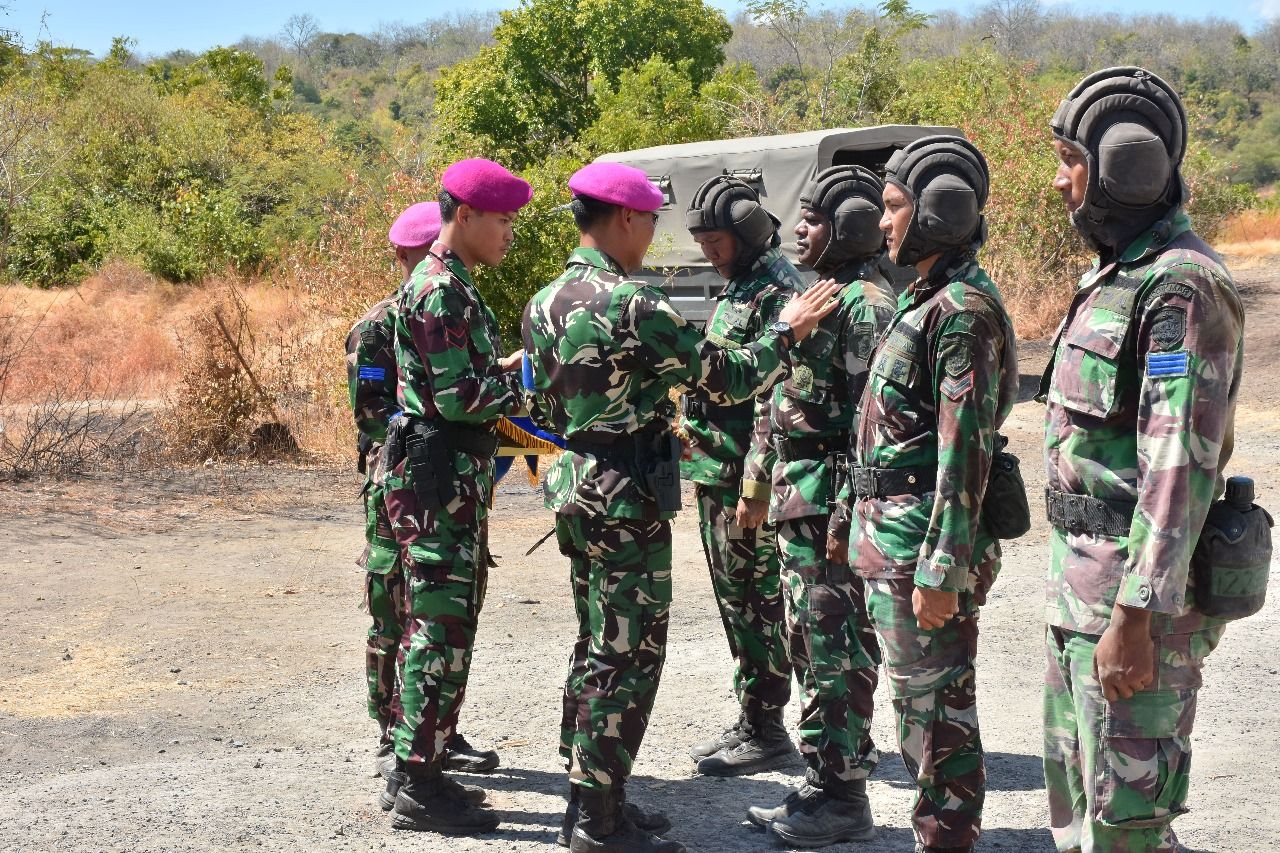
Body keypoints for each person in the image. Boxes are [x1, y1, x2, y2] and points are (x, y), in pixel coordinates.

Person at [522, 161, 844, 853]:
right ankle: (598, 823)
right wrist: (786, 332)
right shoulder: (635, 304)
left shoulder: (543, 301)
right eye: (653, 224)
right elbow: (723, 378)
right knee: (628, 654)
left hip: (574, 484)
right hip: (626, 493)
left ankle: (594, 796)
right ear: (629, 219)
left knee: (594, 642)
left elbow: (540, 407)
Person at [1042, 67, 1245, 853]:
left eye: (1070, 160)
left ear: (1122, 165)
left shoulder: (1181, 286)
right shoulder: (1117, 278)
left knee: (1127, 821)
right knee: (1084, 811)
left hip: (1131, 612)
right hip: (1082, 591)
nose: (1060, 181)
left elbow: (1176, 470)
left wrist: (1136, 616)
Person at [845, 136, 1018, 853]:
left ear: (938, 212)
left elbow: (965, 449)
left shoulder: (962, 311)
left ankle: (946, 837)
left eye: (893, 207)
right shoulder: (929, 300)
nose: (883, 223)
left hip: (924, 545)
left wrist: (942, 569)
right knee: (916, 705)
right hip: (893, 537)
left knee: (940, 709)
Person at [744, 166, 896, 847]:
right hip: (800, 501)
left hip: (833, 504)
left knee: (838, 649)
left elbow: (874, 425)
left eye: (811, 217)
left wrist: (846, 520)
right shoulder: (821, 296)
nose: (797, 228)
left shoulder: (866, 305)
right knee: (811, 642)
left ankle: (843, 794)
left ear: (853, 225)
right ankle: (822, 780)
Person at [380, 159, 530, 835]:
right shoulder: (441, 288)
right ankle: (415, 780)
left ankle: (428, 767)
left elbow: (459, 376)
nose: (508, 235)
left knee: (448, 625)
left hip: (449, 477)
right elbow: (457, 397)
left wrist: (500, 371)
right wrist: (531, 392)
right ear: (464, 216)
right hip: (436, 479)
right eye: (501, 221)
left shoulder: (454, 284)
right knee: (435, 629)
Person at [345, 202, 502, 805]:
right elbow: (373, 412)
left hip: (443, 476)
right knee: (402, 609)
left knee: (446, 608)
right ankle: (399, 738)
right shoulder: (387, 320)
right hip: (409, 480)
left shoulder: (439, 301)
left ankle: (434, 733)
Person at [680, 175, 799, 777]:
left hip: (745, 480)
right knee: (739, 601)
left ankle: (769, 726)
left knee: (757, 602)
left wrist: (756, 484)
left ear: (747, 233)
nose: (708, 251)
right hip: (717, 470)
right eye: (702, 240)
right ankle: (757, 715)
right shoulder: (742, 287)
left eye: (717, 240)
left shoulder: (776, 293)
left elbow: (769, 400)